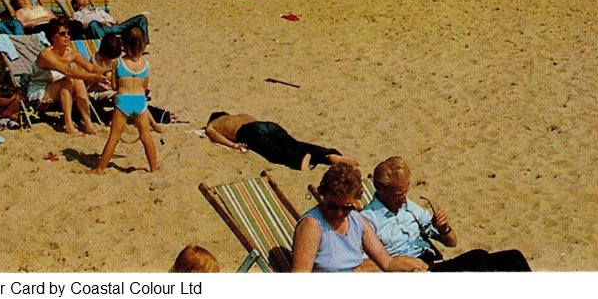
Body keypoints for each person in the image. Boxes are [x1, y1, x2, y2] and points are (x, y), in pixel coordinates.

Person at [362, 156, 531, 272]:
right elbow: (360, 266)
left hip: (437, 264)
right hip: (417, 272)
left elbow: (452, 243)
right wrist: (398, 264)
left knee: (512, 258)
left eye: (406, 192)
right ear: (381, 189)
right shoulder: (368, 219)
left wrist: (443, 229)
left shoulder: (409, 207)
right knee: (478, 259)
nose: (404, 199)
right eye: (399, 194)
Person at [292, 163, 428, 272]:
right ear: (323, 197)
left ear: (355, 201)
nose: (339, 213)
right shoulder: (312, 226)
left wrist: (413, 267)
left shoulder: (356, 220)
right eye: (332, 206)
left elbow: (387, 262)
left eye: (346, 207)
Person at [93, 25, 162, 173]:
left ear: (123, 44)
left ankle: (100, 168)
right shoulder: (146, 64)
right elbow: (145, 86)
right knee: (146, 136)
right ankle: (153, 167)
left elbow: (114, 86)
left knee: (114, 137)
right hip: (139, 101)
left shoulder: (118, 62)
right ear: (143, 44)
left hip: (124, 100)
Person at [32, 17, 110, 135]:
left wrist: (107, 72)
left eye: (68, 33)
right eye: (62, 34)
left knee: (76, 81)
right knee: (69, 79)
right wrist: (93, 77)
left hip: (61, 86)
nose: (67, 36)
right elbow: (67, 71)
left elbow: (91, 67)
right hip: (40, 89)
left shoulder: (71, 52)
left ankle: (88, 123)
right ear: (53, 37)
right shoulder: (46, 54)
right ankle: (68, 124)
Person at [204, 112, 356, 171]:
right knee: (295, 144)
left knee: (272, 152)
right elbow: (255, 122)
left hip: (247, 131)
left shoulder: (213, 124)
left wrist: (233, 145)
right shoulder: (241, 115)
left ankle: (299, 160)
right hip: (267, 125)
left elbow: (215, 135)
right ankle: (328, 156)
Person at [70, 0, 150, 43]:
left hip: (113, 27)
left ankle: (143, 43)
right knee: (93, 23)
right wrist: (99, 23)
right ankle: (107, 44)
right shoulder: (77, 14)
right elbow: (79, 26)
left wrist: (116, 22)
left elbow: (111, 20)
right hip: (98, 29)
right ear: (75, 5)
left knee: (141, 18)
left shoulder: (98, 10)